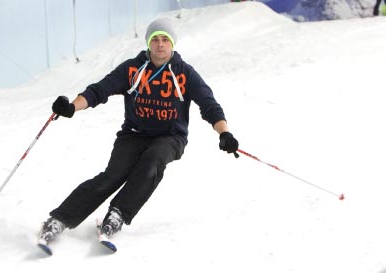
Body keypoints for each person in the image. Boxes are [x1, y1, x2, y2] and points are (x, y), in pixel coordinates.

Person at [38, 18, 239, 245]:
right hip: (133, 134)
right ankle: (59, 219)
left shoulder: (185, 73)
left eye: (165, 39)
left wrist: (224, 134)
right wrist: (72, 106)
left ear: (172, 43)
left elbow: (209, 105)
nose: (160, 44)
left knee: (153, 161)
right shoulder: (132, 69)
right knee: (112, 176)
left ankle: (118, 214)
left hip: (170, 136)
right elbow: (100, 90)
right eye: (155, 39)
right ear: (148, 43)